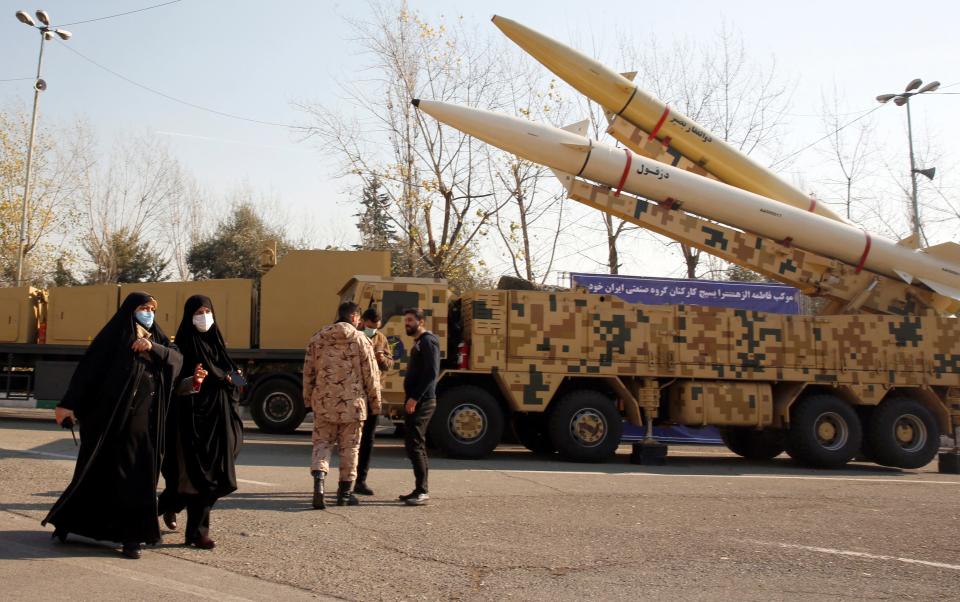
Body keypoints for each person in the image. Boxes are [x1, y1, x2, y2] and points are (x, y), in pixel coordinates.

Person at [42, 292, 184, 560]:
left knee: (138, 478)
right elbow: (87, 373)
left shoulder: (158, 340)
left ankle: (132, 536)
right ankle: (71, 523)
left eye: (152, 308)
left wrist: (151, 348)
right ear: (131, 310)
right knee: (99, 473)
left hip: (145, 424)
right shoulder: (114, 337)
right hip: (109, 421)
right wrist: (67, 405)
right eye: (144, 308)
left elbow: (177, 361)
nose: (149, 313)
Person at [158, 295, 244, 550]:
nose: (204, 317)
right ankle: (196, 532)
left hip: (220, 422)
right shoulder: (181, 349)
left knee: (216, 477)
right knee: (193, 478)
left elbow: (239, 384)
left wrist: (237, 380)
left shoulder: (218, 346)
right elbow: (172, 387)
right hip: (191, 422)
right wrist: (194, 381)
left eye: (207, 311)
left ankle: (171, 506)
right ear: (189, 316)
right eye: (198, 312)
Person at [303, 301, 381, 509]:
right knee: (350, 449)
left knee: (322, 444)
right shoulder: (361, 340)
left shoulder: (318, 338)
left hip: (324, 403)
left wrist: (308, 398)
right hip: (353, 406)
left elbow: (308, 372)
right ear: (354, 316)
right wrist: (375, 403)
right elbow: (371, 375)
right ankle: (344, 494)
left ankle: (319, 483)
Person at [399, 308, 440, 507]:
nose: (406, 323)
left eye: (410, 320)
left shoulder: (427, 341)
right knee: (413, 443)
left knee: (415, 443)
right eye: (405, 320)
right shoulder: (418, 342)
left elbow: (431, 373)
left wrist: (415, 398)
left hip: (423, 401)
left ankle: (422, 491)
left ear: (421, 321)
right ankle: (418, 488)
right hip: (416, 400)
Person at [353, 308, 395, 496]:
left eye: (376, 328)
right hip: (354, 394)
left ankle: (361, 481)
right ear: (363, 322)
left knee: (368, 440)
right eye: (370, 327)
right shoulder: (353, 336)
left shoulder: (381, 338)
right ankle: (346, 481)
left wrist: (382, 359)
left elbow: (390, 362)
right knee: (352, 439)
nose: (373, 331)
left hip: (373, 396)